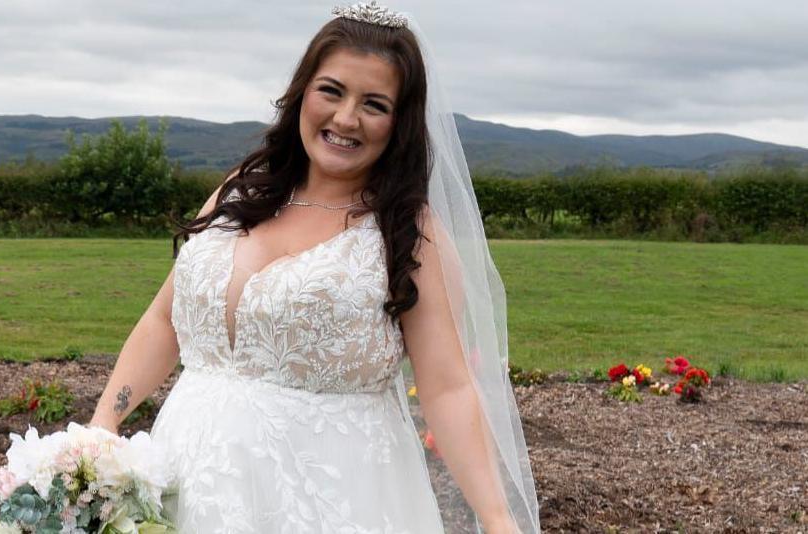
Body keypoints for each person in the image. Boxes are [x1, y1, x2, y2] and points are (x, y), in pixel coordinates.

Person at [88, 2, 541, 532]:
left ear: (400, 123)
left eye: (374, 104)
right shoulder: (239, 193)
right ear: (303, 91)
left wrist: (495, 518)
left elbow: (447, 387)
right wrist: (102, 429)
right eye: (332, 90)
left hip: (331, 498)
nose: (346, 118)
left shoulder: (408, 234)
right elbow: (164, 322)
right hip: (189, 477)